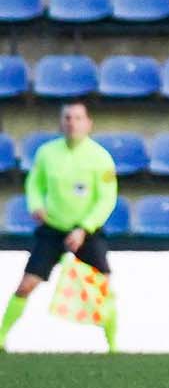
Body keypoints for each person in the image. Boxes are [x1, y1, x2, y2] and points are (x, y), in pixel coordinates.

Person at [2, 102, 118, 353]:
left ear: (88, 123)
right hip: (53, 229)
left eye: (77, 118)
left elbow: (107, 199)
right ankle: (1, 339)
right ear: (61, 122)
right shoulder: (47, 153)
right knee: (26, 285)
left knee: (104, 287)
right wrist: (35, 204)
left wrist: (84, 228)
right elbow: (34, 184)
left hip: (86, 232)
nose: (72, 123)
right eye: (67, 117)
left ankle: (114, 347)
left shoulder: (100, 158)